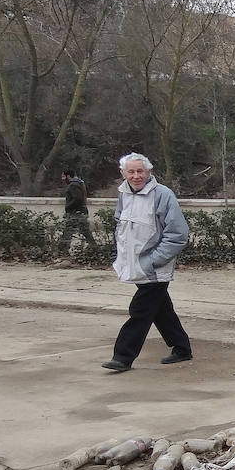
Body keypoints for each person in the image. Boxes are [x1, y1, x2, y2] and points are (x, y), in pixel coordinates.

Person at [101, 153, 193, 373]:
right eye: (131, 172)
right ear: (123, 173)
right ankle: (182, 348)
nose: (136, 176)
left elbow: (178, 235)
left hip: (154, 268)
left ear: (149, 172)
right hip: (135, 266)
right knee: (161, 309)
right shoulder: (123, 194)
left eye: (140, 171)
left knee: (140, 310)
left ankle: (123, 356)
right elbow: (121, 228)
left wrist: (154, 261)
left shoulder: (163, 195)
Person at [59, 168, 96, 252]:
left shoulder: (73, 185)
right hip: (81, 211)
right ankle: (94, 249)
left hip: (76, 212)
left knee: (68, 232)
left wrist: (68, 207)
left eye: (63, 177)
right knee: (85, 232)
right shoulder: (79, 183)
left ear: (68, 176)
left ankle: (62, 250)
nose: (62, 179)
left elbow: (77, 199)